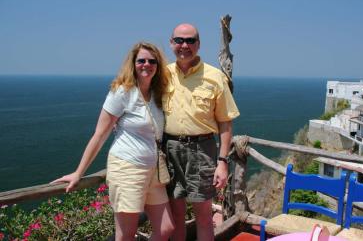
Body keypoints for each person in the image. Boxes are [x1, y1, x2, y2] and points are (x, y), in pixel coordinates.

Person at [51, 42, 175, 241]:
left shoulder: (157, 94)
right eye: (141, 60)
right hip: (127, 168)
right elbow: (99, 135)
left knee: (166, 228)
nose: (146, 64)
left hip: (154, 171)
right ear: (133, 64)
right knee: (125, 235)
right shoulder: (123, 92)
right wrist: (78, 172)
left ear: (158, 65)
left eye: (152, 61)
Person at [162, 23, 240, 241]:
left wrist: (223, 161)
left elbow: (225, 123)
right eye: (179, 40)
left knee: (204, 217)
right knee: (176, 216)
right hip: (169, 149)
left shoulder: (215, 77)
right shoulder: (163, 74)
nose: (184, 45)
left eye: (190, 40)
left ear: (198, 44)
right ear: (171, 43)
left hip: (202, 150)